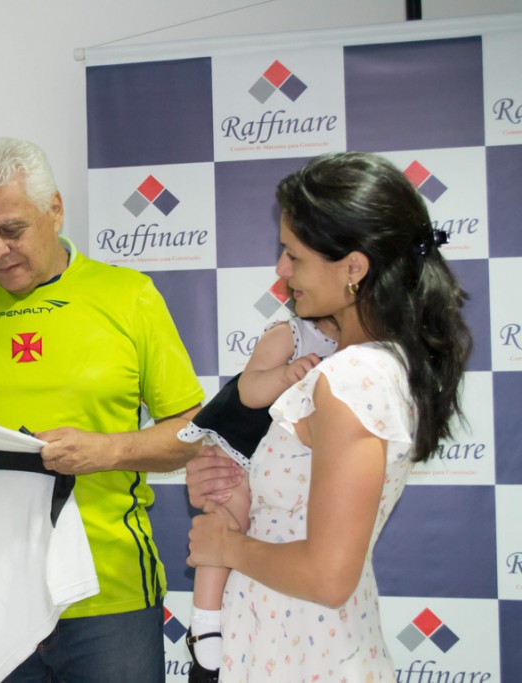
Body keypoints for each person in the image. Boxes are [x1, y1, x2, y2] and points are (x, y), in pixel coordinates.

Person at [0, 137, 206, 682]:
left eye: (12, 229)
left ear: (56, 209)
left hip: (109, 595)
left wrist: (108, 450)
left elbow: (193, 433)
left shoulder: (129, 297)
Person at [185, 151, 471, 681]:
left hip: (305, 655)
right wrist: (228, 483)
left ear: (354, 269)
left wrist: (226, 546)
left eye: (293, 255)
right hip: (291, 646)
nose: (281, 270)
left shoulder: (352, 378)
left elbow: (328, 575)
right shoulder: (367, 365)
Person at [176, 315, 338, 682]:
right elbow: (249, 388)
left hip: (290, 476)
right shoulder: (291, 333)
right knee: (225, 522)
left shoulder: (363, 353)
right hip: (243, 444)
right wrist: (286, 375)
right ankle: (205, 623)